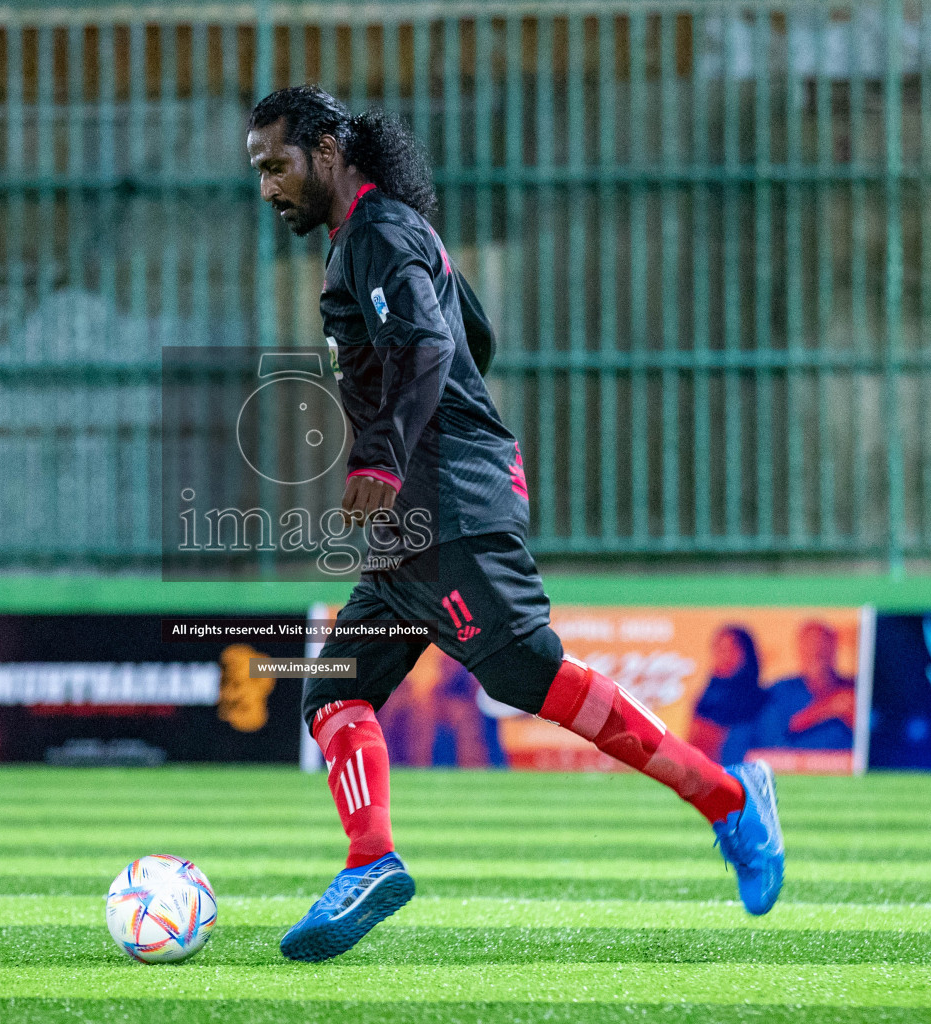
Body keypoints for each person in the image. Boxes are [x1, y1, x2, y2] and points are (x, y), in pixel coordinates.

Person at [246, 86, 783, 962]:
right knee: (335, 690)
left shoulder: (379, 234)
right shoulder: (377, 239)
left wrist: (383, 456)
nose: (268, 185)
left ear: (330, 150)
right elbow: (474, 340)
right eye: (260, 170)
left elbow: (429, 348)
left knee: (527, 675)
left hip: (449, 503)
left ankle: (730, 801)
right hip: (414, 525)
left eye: (277, 164)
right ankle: (371, 860)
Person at [756, 620, 857, 750]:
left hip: (845, 766)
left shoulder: (854, 686)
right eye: (809, 645)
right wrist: (829, 707)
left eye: (822, 644)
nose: (816, 652)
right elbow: (771, 737)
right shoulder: (781, 690)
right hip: (794, 766)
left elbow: (872, 732)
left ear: (834, 647)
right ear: (799, 650)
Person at [689, 625, 767, 764]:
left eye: (733, 649)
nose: (726, 656)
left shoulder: (765, 701)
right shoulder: (706, 700)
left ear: (747, 654)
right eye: (720, 649)